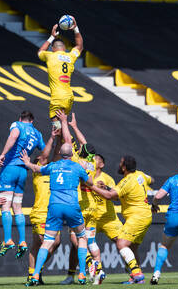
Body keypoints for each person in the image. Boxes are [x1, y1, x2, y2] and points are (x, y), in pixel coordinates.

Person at [21, 143, 92, 286]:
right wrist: (86, 170)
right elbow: (90, 182)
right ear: (72, 154)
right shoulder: (77, 166)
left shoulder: (53, 166)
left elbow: (37, 168)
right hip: (72, 205)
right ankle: (82, 273)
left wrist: (27, 162)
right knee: (82, 237)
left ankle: (35, 274)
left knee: (47, 241)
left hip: (54, 207)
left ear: (59, 152)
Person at [87, 155, 152, 284]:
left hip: (137, 216)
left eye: (121, 163)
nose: (119, 165)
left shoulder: (126, 181)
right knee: (131, 247)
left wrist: (91, 186)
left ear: (125, 167)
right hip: (144, 215)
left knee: (121, 244)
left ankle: (137, 274)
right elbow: (152, 180)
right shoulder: (140, 175)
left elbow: (111, 196)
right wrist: (106, 188)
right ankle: (136, 276)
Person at [56, 111, 101, 285]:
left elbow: (68, 142)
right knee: (88, 241)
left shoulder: (76, 162)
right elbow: (84, 143)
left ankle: (92, 266)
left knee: (77, 239)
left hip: (80, 205)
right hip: (92, 206)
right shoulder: (93, 162)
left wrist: (65, 123)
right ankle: (75, 275)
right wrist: (75, 126)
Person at [0, 110, 45, 258]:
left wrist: (3, 153)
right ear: (32, 121)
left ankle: (7, 240)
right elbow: (44, 153)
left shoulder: (17, 125)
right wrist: (32, 162)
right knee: (17, 206)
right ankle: (23, 241)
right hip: (23, 171)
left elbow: (13, 136)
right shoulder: (37, 134)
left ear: (20, 118)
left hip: (10, 167)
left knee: (5, 205)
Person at [28, 127, 61, 283]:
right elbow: (45, 156)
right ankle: (35, 273)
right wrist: (52, 138)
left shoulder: (51, 171)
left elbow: (56, 155)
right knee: (46, 243)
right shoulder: (38, 173)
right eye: (42, 160)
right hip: (40, 213)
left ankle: (34, 272)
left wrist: (59, 137)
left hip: (53, 213)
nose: (45, 161)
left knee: (44, 245)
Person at [38, 17, 83, 129]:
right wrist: (75, 28)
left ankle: (68, 144)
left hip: (57, 98)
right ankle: (67, 143)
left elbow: (40, 52)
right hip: (69, 97)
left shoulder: (50, 56)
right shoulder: (70, 56)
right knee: (62, 127)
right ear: (65, 48)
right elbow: (79, 46)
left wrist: (52, 36)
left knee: (57, 130)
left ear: (53, 48)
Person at [90, 154, 124, 284]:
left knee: (123, 242)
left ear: (101, 164)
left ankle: (134, 272)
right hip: (91, 217)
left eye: (95, 159)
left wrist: (107, 188)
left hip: (108, 218)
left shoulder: (107, 179)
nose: (92, 160)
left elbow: (115, 197)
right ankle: (91, 274)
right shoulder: (86, 175)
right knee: (80, 243)